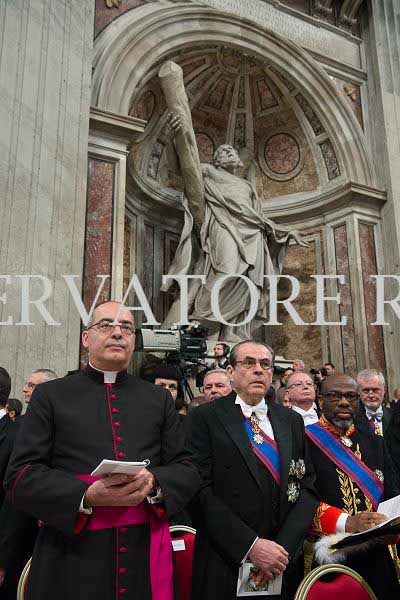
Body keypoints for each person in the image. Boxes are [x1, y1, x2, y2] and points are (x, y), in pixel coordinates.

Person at [5, 300, 201, 600]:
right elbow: (20, 477)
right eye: (106, 325)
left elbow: (187, 468)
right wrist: (86, 495)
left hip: (141, 553)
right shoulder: (51, 395)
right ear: (86, 338)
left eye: (127, 327)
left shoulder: (158, 399)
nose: (118, 333)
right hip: (70, 553)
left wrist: (154, 482)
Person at [187, 340, 319, 600]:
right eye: (248, 363)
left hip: (281, 562)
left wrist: (282, 548)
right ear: (230, 372)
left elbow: (307, 486)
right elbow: (198, 490)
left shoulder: (290, 419)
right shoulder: (204, 417)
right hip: (225, 558)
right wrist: (251, 546)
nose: (258, 369)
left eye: (265, 364)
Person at [160, 110, 306, 341]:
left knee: (248, 283)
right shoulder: (209, 171)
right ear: (216, 160)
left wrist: (286, 232)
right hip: (224, 226)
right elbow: (180, 170)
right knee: (226, 273)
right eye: (224, 151)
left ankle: (231, 331)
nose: (230, 152)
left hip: (253, 235)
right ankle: (200, 322)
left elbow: (258, 217)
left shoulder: (247, 186)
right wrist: (170, 139)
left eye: (232, 151)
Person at [305, 373, 400, 597]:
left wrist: (393, 530)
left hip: (378, 556)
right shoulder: (305, 441)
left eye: (350, 396)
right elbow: (301, 501)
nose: (344, 402)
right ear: (320, 400)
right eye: (335, 396)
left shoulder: (375, 442)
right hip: (331, 559)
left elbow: (393, 493)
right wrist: (347, 522)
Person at [355, 369, 392, 436]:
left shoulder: (395, 416)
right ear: (359, 392)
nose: (371, 395)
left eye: (375, 390)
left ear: (384, 390)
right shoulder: (352, 419)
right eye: (366, 390)